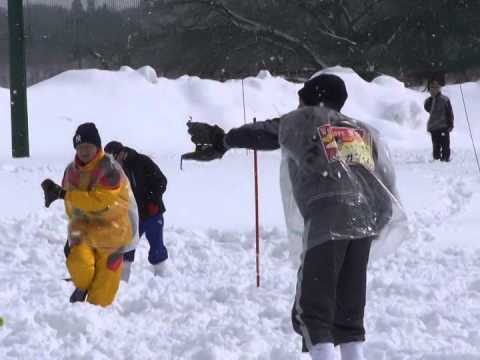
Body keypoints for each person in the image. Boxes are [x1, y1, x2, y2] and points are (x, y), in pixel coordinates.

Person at [182, 73, 403, 360]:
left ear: (311, 99)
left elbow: (266, 132)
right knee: (348, 316)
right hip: (361, 223)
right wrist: (372, 226)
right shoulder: (359, 132)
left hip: (327, 218)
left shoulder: (306, 120)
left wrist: (224, 140)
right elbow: (383, 187)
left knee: (313, 313)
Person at [41, 123, 138, 307]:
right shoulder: (71, 171)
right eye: (80, 147)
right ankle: (83, 286)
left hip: (113, 234)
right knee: (79, 265)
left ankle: (93, 322)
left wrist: (62, 194)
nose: (84, 151)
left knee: (102, 293)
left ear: (98, 147)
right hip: (83, 231)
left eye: (89, 146)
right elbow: (72, 206)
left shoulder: (110, 169)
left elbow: (100, 201)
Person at [104, 141, 168, 278]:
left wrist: (152, 200)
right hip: (133, 215)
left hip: (152, 213)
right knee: (126, 248)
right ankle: (123, 282)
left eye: (113, 160)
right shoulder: (115, 173)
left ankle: (162, 279)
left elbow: (162, 181)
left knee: (157, 248)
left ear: (120, 154)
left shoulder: (141, 161)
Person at [424, 79, 454, 161]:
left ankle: (445, 160)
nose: (433, 90)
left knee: (445, 145)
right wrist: (432, 99)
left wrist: (451, 124)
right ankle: (436, 161)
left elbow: (450, 113)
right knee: (436, 146)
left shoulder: (445, 99)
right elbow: (427, 108)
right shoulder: (428, 101)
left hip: (443, 126)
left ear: (439, 89)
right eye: (431, 88)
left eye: (435, 88)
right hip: (434, 127)